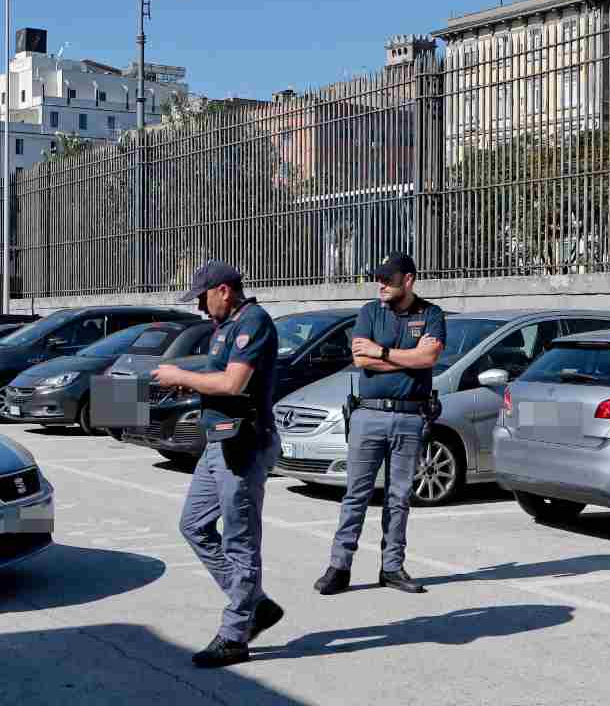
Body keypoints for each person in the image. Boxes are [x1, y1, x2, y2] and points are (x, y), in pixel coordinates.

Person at [152, 259, 284, 668]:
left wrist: (181, 375)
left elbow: (232, 383)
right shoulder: (224, 326)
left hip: (243, 444)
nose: (200, 309)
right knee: (193, 525)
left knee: (240, 540)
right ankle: (254, 603)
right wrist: (183, 376)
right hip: (218, 442)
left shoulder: (254, 322)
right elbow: (217, 375)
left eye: (203, 299)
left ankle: (235, 634)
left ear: (224, 290)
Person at [314, 252, 446, 597]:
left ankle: (391, 567)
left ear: (409, 280)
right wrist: (407, 360)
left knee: (399, 496)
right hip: (368, 415)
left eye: (388, 278)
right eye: (379, 278)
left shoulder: (431, 314)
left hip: (409, 416)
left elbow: (428, 358)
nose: (381, 284)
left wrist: (382, 352)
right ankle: (339, 567)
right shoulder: (370, 312)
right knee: (355, 494)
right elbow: (361, 360)